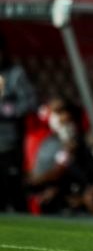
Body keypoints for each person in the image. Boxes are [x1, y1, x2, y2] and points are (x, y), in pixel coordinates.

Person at [26, 97, 93, 213]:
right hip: (46, 188)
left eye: (60, 113)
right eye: (54, 113)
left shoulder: (80, 143)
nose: (56, 118)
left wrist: (36, 181)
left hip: (73, 191)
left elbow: (62, 170)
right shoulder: (49, 140)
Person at [0, 34, 37, 212]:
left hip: (8, 141)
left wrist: (7, 110)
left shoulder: (15, 74)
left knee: (13, 186)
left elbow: (30, 102)